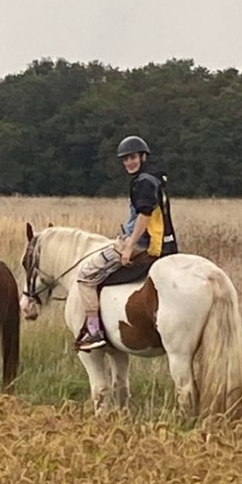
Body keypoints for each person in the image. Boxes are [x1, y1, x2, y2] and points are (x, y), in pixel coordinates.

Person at [74, 135, 178, 350]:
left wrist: (129, 246)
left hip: (141, 243)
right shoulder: (155, 178)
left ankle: (93, 332)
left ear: (143, 156)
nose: (129, 162)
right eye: (125, 159)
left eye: (132, 157)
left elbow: (144, 215)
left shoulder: (143, 182)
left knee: (85, 275)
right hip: (166, 243)